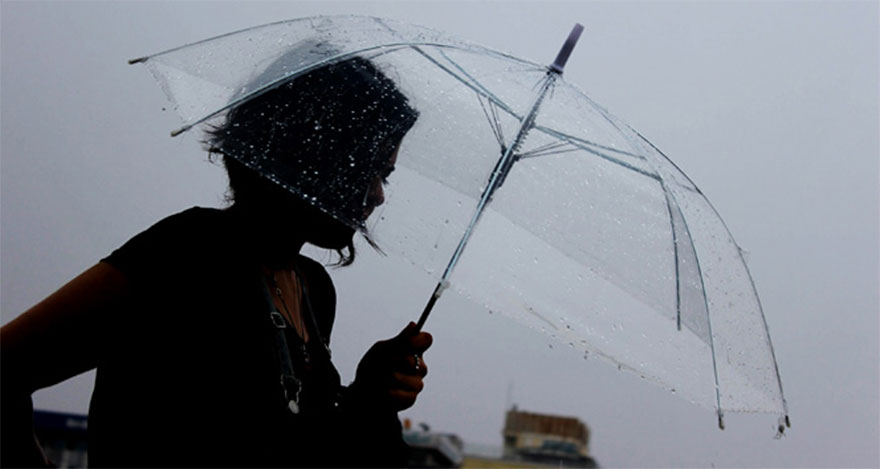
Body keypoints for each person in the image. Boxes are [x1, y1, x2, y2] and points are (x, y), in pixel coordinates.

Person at [1, 53, 430, 467]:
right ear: (308, 151)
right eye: (365, 167)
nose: (377, 194)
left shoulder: (312, 287)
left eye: (385, 174)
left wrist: (370, 396)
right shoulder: (186, 254)